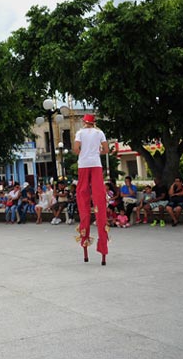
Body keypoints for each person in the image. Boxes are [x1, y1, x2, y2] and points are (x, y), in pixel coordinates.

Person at [73, 113, 110, 265]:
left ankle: (85, 244)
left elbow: (76, 149)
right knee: (99, 198)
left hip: (83, 165)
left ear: (84, 122)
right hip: (96, 164)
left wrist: (84, 154)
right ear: (93, 122)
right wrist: (96, 152)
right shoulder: (100, 132)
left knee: (83, 196)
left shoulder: (80, 133)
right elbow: (106, 150)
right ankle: (103, 251)